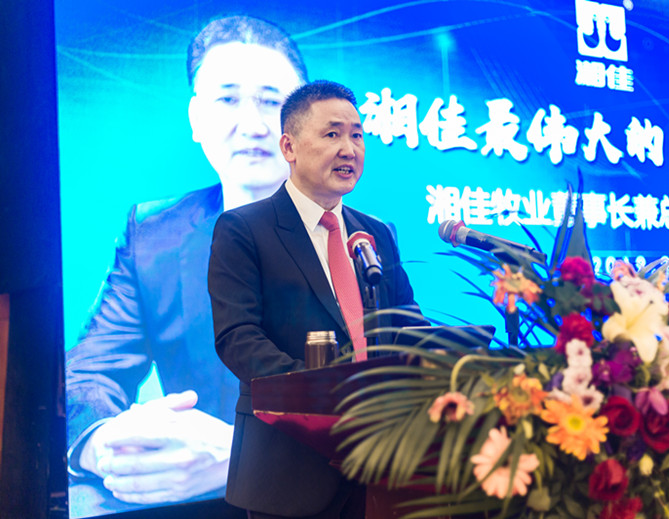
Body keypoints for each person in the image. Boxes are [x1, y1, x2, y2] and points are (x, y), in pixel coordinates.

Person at [65, 16, 306, 516]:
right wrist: (105, 441)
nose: (253, 125)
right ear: (196, 119)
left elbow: (384, 410)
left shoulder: (363, 244)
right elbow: (87, 374)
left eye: (272, 101)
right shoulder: (153, 235)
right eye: (227, 99)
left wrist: (245, 457)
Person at [208, 80, 427, 518]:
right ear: (288, 147)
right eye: (332, 134)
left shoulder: (375, 234)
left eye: (357, 135)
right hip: (289, 467)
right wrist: (320, 396)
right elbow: (238, 338)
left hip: (382, 464)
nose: (349, 149)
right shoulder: (244, 229)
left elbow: (406, 322)